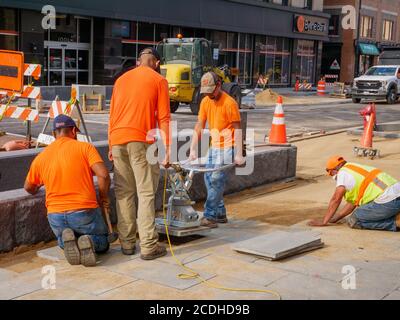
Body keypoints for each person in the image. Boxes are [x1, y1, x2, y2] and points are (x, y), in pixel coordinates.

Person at [108, 47, 171, 260]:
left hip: (117, 140)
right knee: (145, 193)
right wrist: (167, 150)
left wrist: (110, 146)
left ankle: (127, 244)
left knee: (123, 193)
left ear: (138, 62)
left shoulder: (120, 81)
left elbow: (112, 115)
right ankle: (148, 246)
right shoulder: (158, 80)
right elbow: (164, 118)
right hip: (141, 140)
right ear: (157, 63)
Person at [24, 115, 111, 267]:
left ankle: (66, 242)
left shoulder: (41, 156)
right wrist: (103, 197)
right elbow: (103, 175)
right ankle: (90, 241)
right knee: (103, 242)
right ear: (73, 131)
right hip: (83, 211)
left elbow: (28, 188)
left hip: (55, 215)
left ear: (53, 134)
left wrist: (39, 185)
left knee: (63, 238)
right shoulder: (85, 148)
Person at [189, 72, 245, 228]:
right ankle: (220, 212)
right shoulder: (206, 102)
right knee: (209, 179)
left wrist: (239, 153)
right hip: (215, 146)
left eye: (211, 90)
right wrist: (193, 149)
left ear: (219, 85)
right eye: (205, 91)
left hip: (229, 146)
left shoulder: (230, 103)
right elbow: (199, 125)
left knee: (216, 179)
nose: (208, 94)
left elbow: (238, 129)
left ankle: (210, 216)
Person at [309, 156, 400, 231]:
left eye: (331, 173)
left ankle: (396, 223)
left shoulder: (342, 173)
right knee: (361, 211)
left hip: (389, 201)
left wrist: (325, 221)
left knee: (354, 220)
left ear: (334, 170)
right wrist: (335, 219)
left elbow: (336, 199)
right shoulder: (355, 168)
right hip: (395, 195)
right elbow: (352, 203)